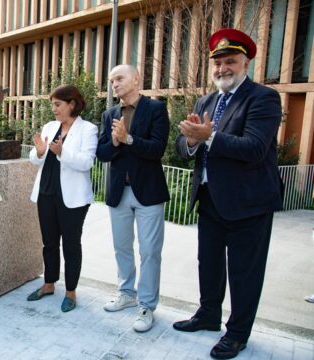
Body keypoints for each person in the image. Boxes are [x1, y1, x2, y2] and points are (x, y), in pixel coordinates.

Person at [173, 28, 283, 359]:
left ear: (246, 63)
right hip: (210, 198)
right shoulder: (206, 100)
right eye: (218, 63)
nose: (222, 69)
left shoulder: (263, 98)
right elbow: (183, 146)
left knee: (244, 271)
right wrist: (192, 140)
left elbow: (254, 148)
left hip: (248, 204)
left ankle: (237, 333)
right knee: (208, 264)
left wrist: (208, 136)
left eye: (230, 61)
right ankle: (208, 316)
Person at [96, 64, 170, 332]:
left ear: (136, 78)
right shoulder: (109, 114)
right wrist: (115, 142)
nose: (113, 83)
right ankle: (127, 294)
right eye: (111, 80)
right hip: (119, 192)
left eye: (119, 78)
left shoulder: (156, 109)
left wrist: (128, 140)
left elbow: (158, 149)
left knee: (150, 252)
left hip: (148, 192)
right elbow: (102, 153)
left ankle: (147, 306)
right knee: (122, 248)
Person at [27, 85, 98, 312]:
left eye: (58, 104)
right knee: (49, 243)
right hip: (46, 192)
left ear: (72, 104)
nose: (54, 109)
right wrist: (39, 152)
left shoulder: (88, 129)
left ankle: (70, 291)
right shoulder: (50, 126)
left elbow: (87, 162)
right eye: (52, 105)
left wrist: (62, 153)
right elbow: (36, 158)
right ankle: (48, 284)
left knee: (71, 245)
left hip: (73, 198)